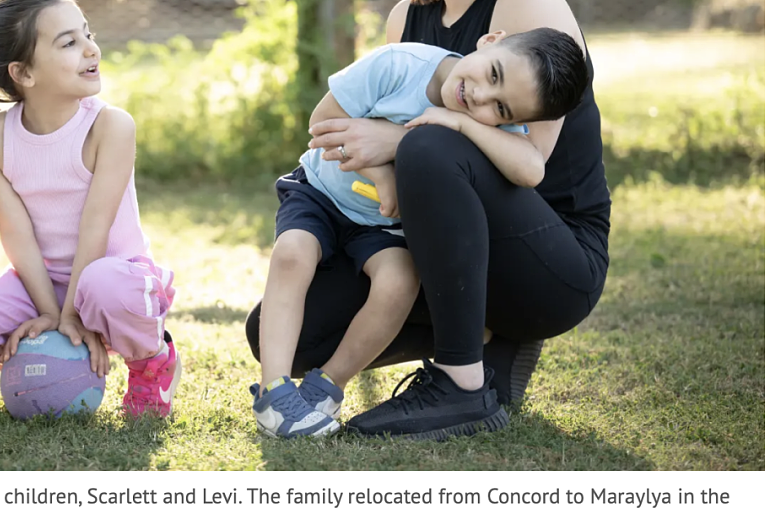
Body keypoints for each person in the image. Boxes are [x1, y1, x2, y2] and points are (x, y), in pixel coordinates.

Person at [245, 0, 611, 441]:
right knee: (284, 332)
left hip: (549, 260)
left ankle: (461, 383)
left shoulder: (526, 2)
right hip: (440, 247)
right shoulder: (405, 21)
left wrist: (413, 133)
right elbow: (345, 130)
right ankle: (491, 340)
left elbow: (528, 163)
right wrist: (376, 160)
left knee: (432, 145)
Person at [252, 28, 588, 439]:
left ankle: (326, 388)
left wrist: (461, 126)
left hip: (381, 227)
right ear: (489, 40)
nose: (480, 97)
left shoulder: (475, 118)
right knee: (292, 254)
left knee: (399, 282)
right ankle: (274, 392)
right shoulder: (397, 65)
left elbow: (531, 168)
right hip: (321, 193)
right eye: (494, 74)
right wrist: (383, 176)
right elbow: (322, 122)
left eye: (501, 109)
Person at [0, 0, 181, 418]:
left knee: (104, 285)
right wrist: (51, 314)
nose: (91, 49)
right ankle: (40, 353)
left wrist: (73, 314)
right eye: (69, 42)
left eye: (87, 34)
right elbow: (17, 233)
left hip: (111, 276)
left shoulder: (110, 126)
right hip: (39, 283)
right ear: (23, 73)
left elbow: (95, 228)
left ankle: (152, 361)